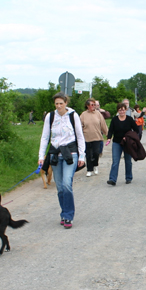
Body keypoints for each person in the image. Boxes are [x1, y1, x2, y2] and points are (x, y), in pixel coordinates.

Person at [38, 92, 86, 229]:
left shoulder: (73, 115)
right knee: (59, 188)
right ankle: (64, 213)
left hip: (71, 154)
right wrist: (41, 156)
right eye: (56, 103)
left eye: (61, 103)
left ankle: (69, 216)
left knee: (66, 184)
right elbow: (45, 137)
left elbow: (80, 136)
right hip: (55, 155)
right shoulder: (50, 116)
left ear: (66, 103)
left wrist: (82, 156)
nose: (59, 106)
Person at [105, 102, 138, 186]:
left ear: (126, 110)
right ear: (118, 111)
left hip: (127, 143)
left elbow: (136, 130)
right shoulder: (114, 119)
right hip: (117, 142)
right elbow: (111, 130)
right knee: (115, 161)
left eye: (123, 110)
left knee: (128, 161)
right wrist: (109, 138)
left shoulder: (129, 119)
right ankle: (112, 179)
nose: (122, 112)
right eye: (120, 110)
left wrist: (129, 137)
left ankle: (128, 177)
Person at [80, 98, 107, 177]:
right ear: (87, 106)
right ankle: (89, 169)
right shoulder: (83, 115)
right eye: (92, 105)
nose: (93, 106)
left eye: (94, 104)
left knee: (96, 153)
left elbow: (103, 124)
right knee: (88, 154)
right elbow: (79, 126)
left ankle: (95, 165)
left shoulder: (98, 114)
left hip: (97, 137)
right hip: (87, 138)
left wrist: (107, 134)